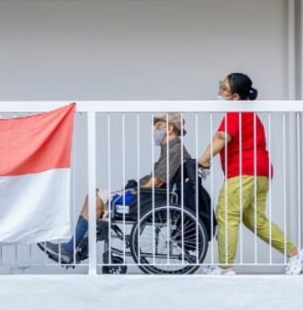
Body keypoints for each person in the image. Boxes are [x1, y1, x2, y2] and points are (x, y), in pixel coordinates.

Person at [38, 112, 190, 264]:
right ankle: (73, 248)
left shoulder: (174, 151)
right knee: (95, 195)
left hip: (147, 199)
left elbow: (156, 183)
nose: (155, 132)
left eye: (158, 127)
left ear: (169, 129)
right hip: (149, 197)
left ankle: (70, 250)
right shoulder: (172, 150)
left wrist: (134, 190)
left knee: (94, 199)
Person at [197, 73, 303, 275]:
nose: (218, 92)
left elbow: (222, 137)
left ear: (235, 97)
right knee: (254, 219)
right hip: (261, 173)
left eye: (223, 88)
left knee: (226, 214)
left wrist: (203, 160)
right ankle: (295, 252)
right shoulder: (249, 113)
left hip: (243, 171)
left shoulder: (236, 111)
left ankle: (225, 269)